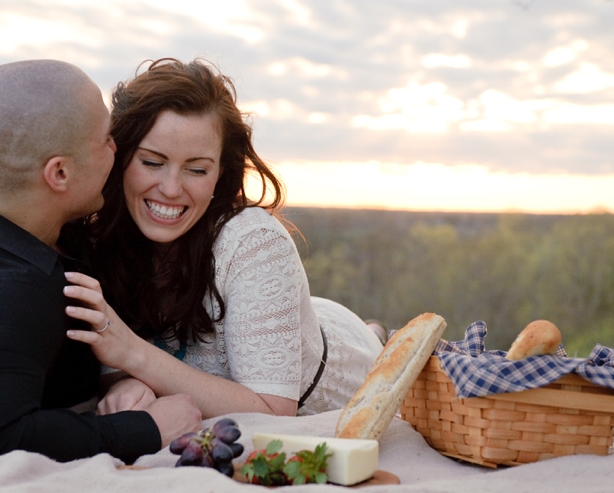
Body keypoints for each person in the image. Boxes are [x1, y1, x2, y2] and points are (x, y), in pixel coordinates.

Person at [0, 60, 201, 475]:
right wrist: (143, 428)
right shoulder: (15, 292)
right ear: (60, 172)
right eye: (106, 138)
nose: (116, 149)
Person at [63, 58, 384, 419]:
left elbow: (274, 412)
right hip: (303, 315)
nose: (170, 189)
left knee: (372, 341)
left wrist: (134, 356)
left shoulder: (253, 241)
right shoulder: (98, 235)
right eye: (152, 162)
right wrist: (125, 382)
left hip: (343, 368)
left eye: (197, 169)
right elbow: (111, 356)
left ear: (221, 173)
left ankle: (376, 334)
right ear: (119, 157)